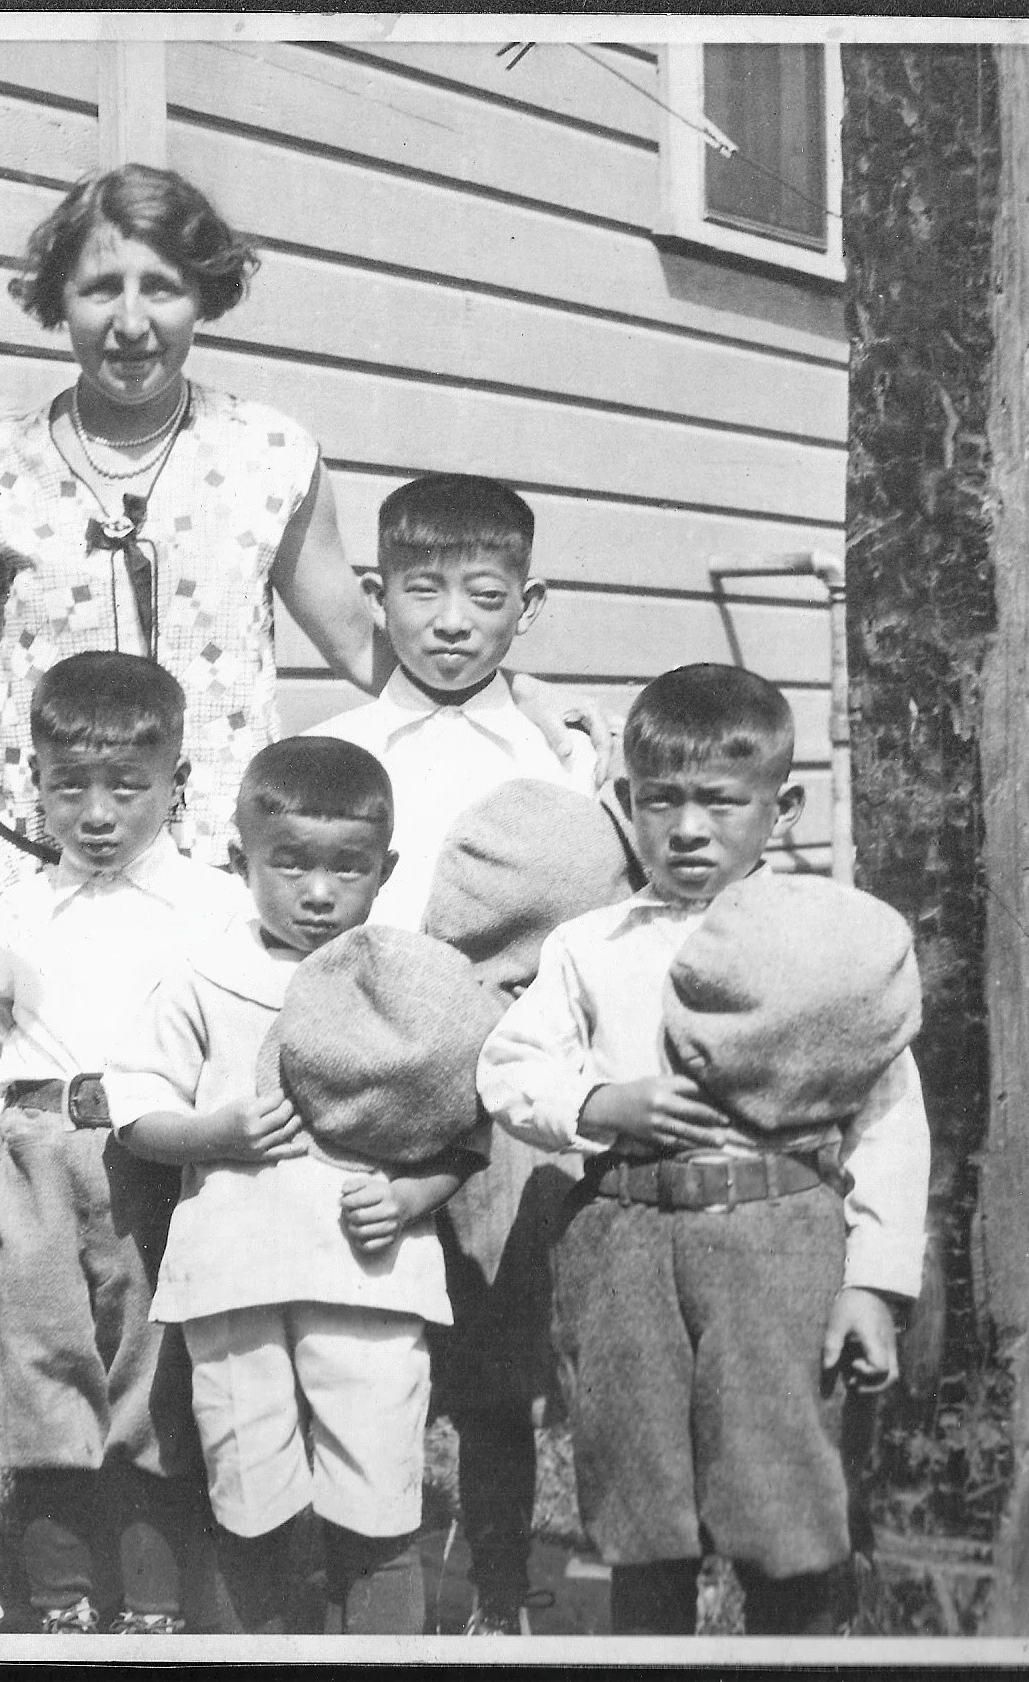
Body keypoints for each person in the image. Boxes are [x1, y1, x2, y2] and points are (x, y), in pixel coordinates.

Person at [0, 166, 591, 877]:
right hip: (43, 850)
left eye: (162, 287)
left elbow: (364, 645)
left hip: (223, 855)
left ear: (203, 298)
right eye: (101, 289)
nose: (131, 322)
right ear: (59, 299)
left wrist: (523, 697)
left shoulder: (270, 455)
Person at [477, 663, 931, 1635]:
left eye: (720, 802)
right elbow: (508, 1068)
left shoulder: (823, 940)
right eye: (659, 801)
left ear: (780, 805)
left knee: (780, 1491)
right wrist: (601, 1099)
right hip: (623, 1239)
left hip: (778, 1241)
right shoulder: (589, 944)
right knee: (639, 1494)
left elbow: (888, 1116)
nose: (687, 828)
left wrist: (871, 1284)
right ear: (622, 801)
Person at [106, 737, 488, 1635]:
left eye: (347, 868)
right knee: (249, 1492)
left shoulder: (413, 982)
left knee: (377, 1495)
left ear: (385, 870)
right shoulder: (201, 977)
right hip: (235, 1279)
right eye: (290, 865)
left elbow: (470, 1123)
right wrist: (210, 1132)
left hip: (370, 1275)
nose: (318, 893)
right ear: (241, 860)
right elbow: (134, 1107)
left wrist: (411, 1197)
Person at [305, 472, 599, 1632]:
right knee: (359, 1341)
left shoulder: (558, 755)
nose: (449, 619)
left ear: (528, 605)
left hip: (501, 1080)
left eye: (484, 595)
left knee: (491, 1362)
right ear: (375, 594)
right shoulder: (338, 745)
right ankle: (356, 1591)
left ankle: (501, 1594)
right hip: (366, 1077)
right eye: (420, 590)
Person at [0, 651, 246, 1633]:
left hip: (150, 1159)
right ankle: (61, 1600)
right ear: (32, 782)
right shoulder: (19, 904)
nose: (94, 813)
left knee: (151, 1373)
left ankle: (157, 1603)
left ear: (176, 783)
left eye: (125, 788)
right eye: (65, 786)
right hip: (33, 1152)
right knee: (37, 1370)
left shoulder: (213, 907)